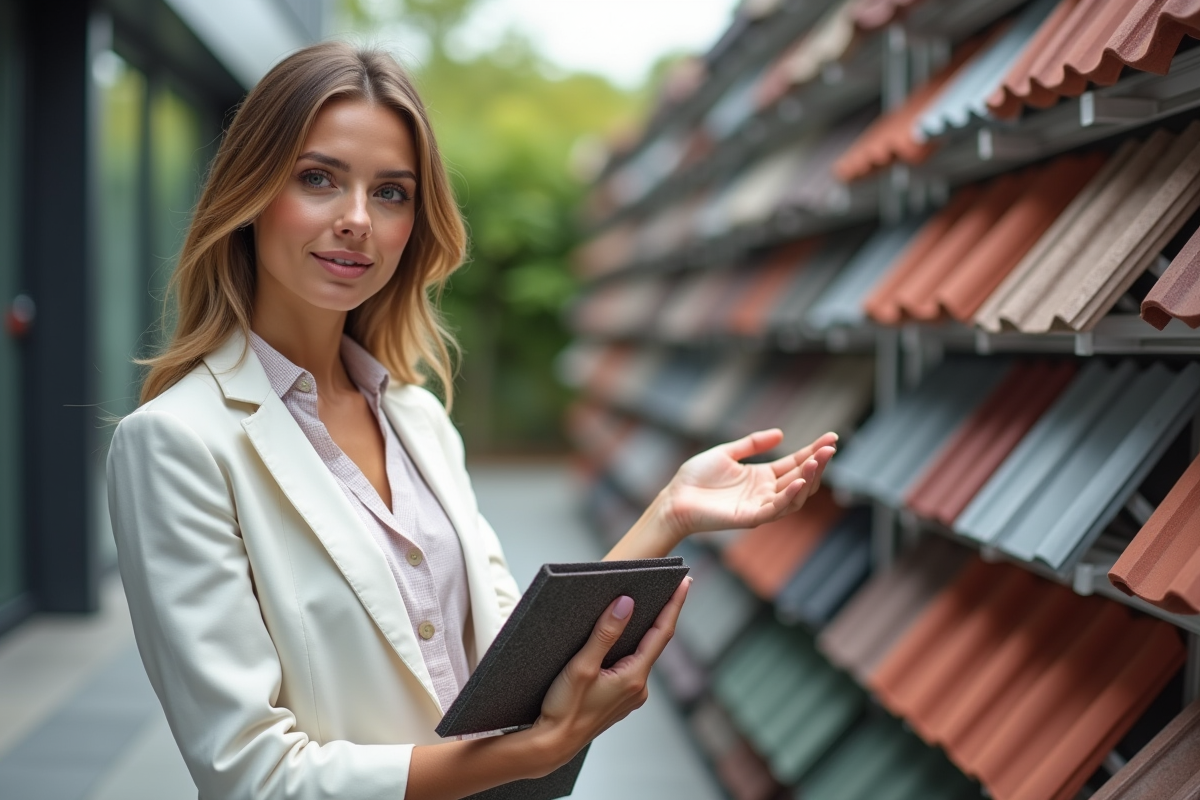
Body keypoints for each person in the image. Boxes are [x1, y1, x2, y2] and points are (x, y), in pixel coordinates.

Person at [106, 41, 837, 800]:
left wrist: (668, 515)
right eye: (318, 179)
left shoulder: (418, 420)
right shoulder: (175, 444)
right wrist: (522, 759)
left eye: (391, 192)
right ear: (251, 195)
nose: (357, 219)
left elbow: (505, 670)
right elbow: (251, 776)